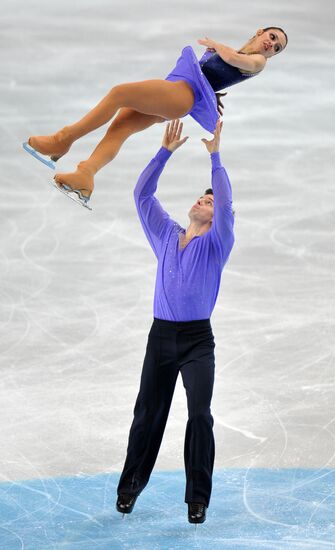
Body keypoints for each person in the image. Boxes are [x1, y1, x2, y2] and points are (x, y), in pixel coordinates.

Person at [115, 118, 234, 524]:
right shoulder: (166, 235)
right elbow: (142, 194)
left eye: (210, 200)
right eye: (201, 197)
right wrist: (164, 152)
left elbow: (227, 204)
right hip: (161, 337)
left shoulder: (217, 244)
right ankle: (129, 489)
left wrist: (215, 157)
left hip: (198, 341)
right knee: (148, 412)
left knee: (200, 414)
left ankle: (197, 499)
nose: (204, 200)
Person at [23, 27, 287, 209]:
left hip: (182, 94)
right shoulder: (245, 54)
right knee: (120, 128)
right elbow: (219, 70)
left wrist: (216, 45)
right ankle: (85, 175)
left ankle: (62, 140)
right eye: (273, 37)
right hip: (178, 90)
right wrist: (213, 92)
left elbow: (231, 58)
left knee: (119, 93)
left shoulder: (257, 62)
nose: (271, 44)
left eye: (277, 47)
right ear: (260, 31)